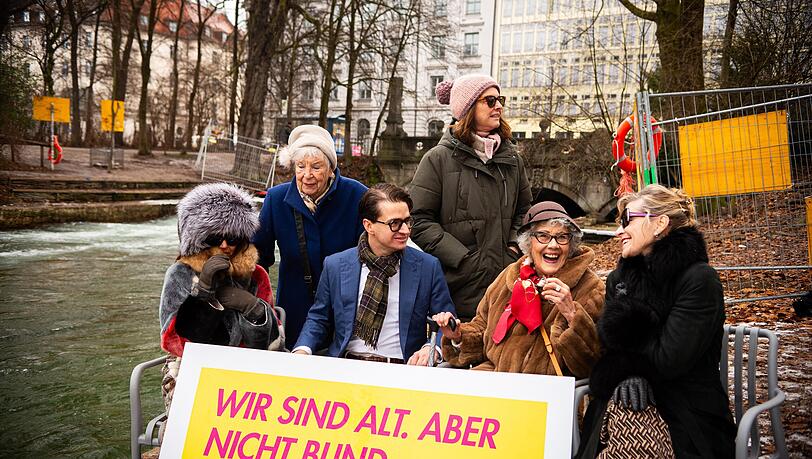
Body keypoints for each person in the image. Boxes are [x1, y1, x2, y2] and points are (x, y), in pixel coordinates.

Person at [577, 185, 736, 458]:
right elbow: (607, 353)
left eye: (629, 220)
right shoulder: (621, 279)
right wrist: (626, 375)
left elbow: (669, 360)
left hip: (687, 413)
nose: (618, 231)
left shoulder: (699, 280)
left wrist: (626, 355)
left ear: (660, 223)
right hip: (623, 403)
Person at [409, 73, 532, 322]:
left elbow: (525, 210)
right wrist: (463, 258)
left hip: (507, 284)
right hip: (459, 287)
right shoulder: (437, 159)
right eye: (489, 100)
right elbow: (419, 220)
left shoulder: (512, 159)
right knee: (460, 354)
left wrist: (512, 247)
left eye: (500, 100)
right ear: (467, 108)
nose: (498, 106)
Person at [433, 201, 604, 376]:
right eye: (543, 236)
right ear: (529, 242)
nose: (553, 245)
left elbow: (591, 364)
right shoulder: (510, 276)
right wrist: (458, 336)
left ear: (571, 244)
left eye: (562, 237)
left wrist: (571, 314)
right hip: (495, 382)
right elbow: (483, 330)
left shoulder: (591, 288)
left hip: (549, 393)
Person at [293, 183, 457, 365]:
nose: (405, 230)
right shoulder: (335, 265)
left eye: (408, 221)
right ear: (369, 226)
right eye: (395, 223)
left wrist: (432, 348)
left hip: (404, 370)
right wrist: (302, 350)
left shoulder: (428, 266)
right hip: (344, 367)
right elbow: (319, 318)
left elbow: (446, 322)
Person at [159, 183, 282, 411]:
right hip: (193, 367)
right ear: (198, 237)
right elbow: (175, 341)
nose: (225, 245)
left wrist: (254, 309)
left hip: (247, 367)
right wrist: (204, 294)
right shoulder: (181, 274)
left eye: (232, 237)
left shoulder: (255, 275)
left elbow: (269, 341)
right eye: (215, 237)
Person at [254, 124, 367, 349]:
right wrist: (259, 303)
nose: (307, 175)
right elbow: (258, 258)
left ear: (331, 168)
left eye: (316, 167)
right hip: (294, 309)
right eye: (300, 166)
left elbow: (371, 255)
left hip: (346, 309)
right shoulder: (276, 199)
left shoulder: (357, 195)